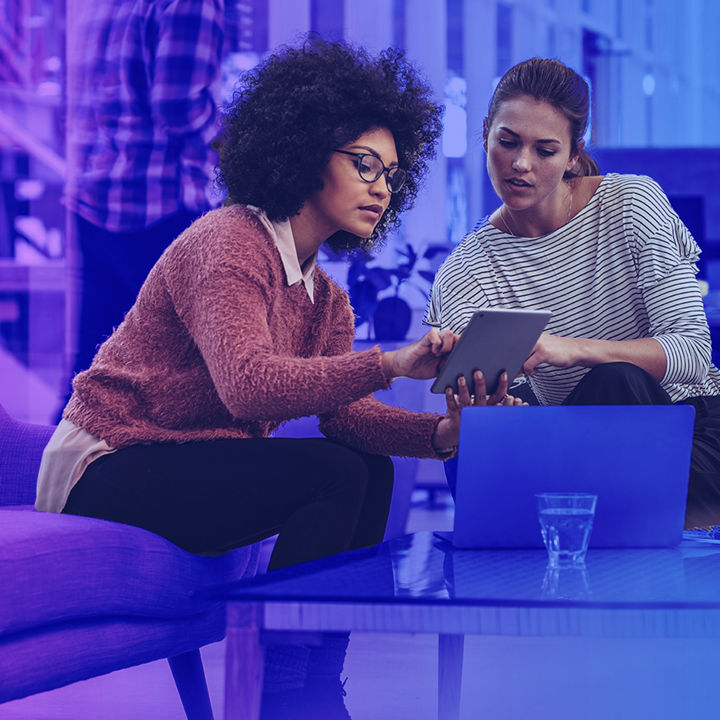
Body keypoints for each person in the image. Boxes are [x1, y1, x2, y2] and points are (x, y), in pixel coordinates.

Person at [38, 38, 519, 719]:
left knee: (367, 467)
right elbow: (247, 386)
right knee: (335, 474)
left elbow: (346, 418)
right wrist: (391, 362)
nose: (381, 186)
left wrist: (443, 432)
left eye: (390, 173)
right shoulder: (228, 242)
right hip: (110, 463)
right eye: (363, 164)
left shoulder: (326, 298)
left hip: (188, 459)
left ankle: (317, 681)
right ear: (303, 150)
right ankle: (284, 695)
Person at [427, 57, 720, 529]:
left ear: (574, 154)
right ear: (485, 134)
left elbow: (691, 352)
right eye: (507, 142)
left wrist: (573, 351)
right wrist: (484, 406)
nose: (521, 164)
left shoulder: (631, 204)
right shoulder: (467, 272)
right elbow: (514, 423)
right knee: (483, 453)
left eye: (545, 150)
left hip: (692, 437)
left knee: (616, 381)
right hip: (573, 449)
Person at [62, 0, 224, 410]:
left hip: (95, 200)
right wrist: (240, 143)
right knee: (173, 388)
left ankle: (59, 469)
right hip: (161, 207)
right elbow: (179, 107)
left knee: (96, 371)